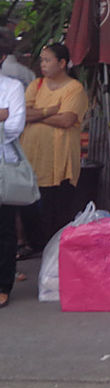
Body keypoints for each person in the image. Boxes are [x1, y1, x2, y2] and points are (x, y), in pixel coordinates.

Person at [19, 44, 89, 253]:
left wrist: (37, 115)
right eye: (42, 60)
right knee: (31, 207)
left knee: (55, 208)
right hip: (32, 158)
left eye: (48, 60)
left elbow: (67, 120)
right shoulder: (36, 85)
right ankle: (35, 245)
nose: (43, 64)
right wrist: (50, 110)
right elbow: (22, 115)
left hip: (59, 160)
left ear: (62, 63)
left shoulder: (74, 89)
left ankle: (54, 251)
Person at [0, 31, 26, 309]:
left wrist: (4, 118)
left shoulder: (12, 87)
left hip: (2, 164)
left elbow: (14, 126)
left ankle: (3, 284)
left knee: (4, 228)